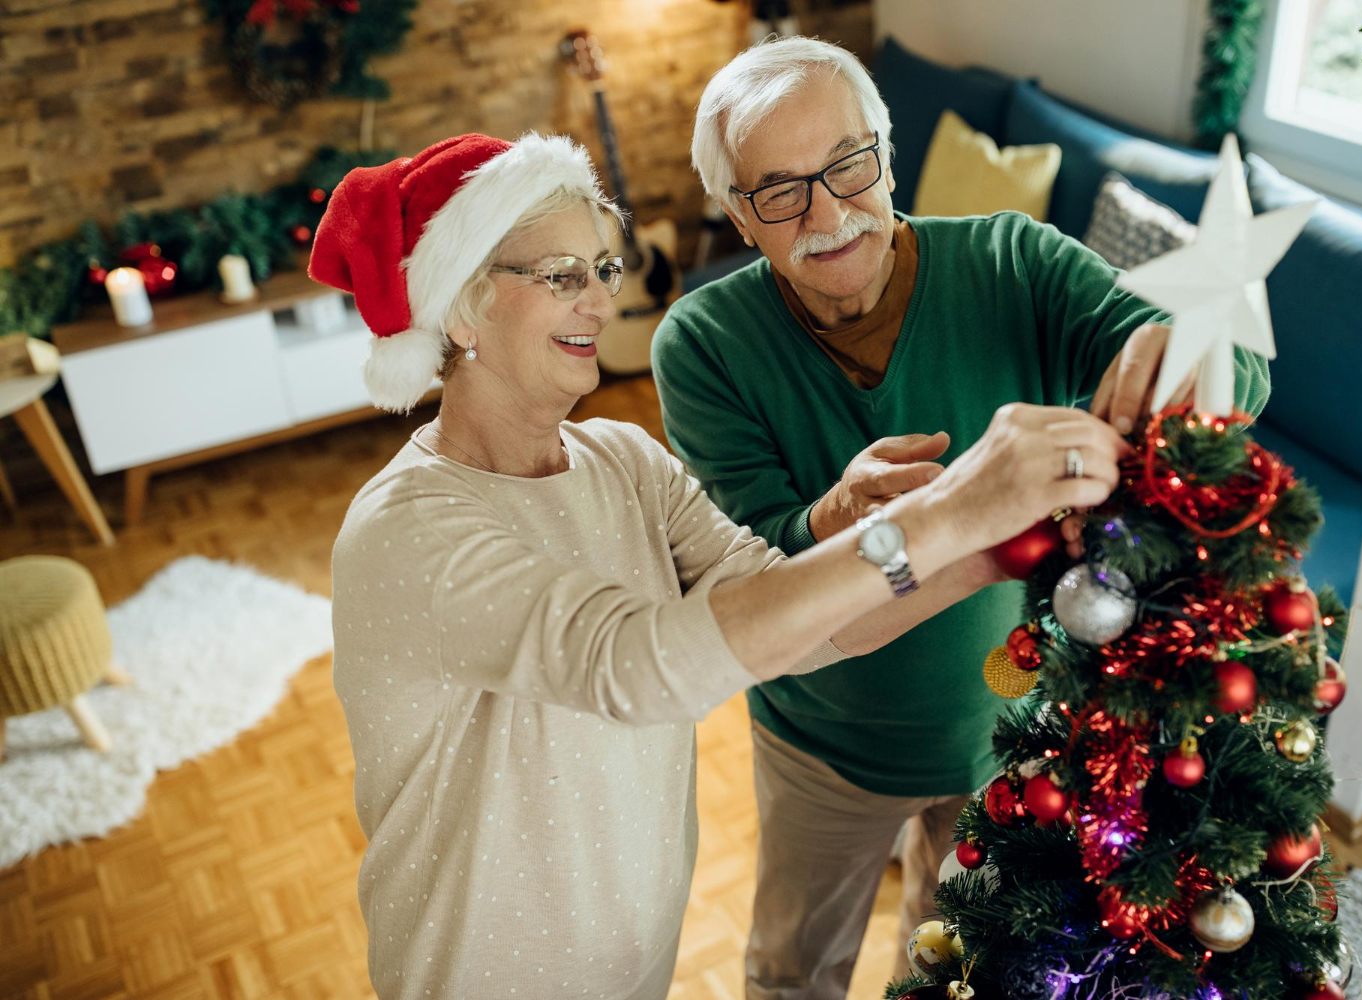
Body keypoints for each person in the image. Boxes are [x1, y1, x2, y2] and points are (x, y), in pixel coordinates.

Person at [312, 131, 1130, 999]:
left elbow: (801, 619)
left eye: (604, 270)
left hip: (638, 963)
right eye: (562, 276)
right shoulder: (406, 531)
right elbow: (642, 666)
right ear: (461, 309)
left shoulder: (624, 461)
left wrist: (981, 558)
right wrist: (948, 512)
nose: (597, 301)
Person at [652, 37, 1272, 1000]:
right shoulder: (700, 343)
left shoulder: (1014, 261)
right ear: (738, 212)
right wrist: (826, 517)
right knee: (791, 968)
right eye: (779, 190)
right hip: (822, 747)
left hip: (1005, 738)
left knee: (950, 963)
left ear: (888, 152)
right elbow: (744, 585)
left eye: (849, 164)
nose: (828, 212)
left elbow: (1235, 377)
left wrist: (1181, 354)